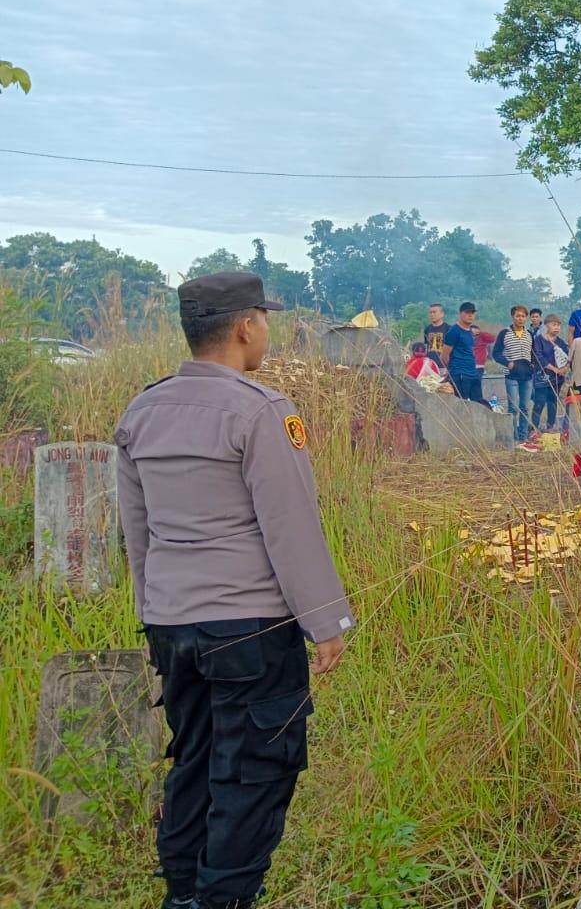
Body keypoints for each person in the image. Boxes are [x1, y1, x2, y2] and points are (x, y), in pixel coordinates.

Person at [114, 272, 353, 909]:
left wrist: (153, 612)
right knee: (253, 775)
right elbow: (291, 524)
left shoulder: (142, 411)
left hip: (172, 624)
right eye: (265, 320)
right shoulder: (262, 410)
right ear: (246, 326)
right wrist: (326, 620)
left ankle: (182, 895)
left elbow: (138, 529)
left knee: (193, 761)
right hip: (250, 630)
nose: (266, 331)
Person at [491, 306, 537, 445]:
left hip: (527, 376)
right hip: (511, 376)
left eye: (523, 316)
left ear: (526, 318)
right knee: (513, 407)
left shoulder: (529, 334)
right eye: (518, 316)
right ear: (513, 317)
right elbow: (496, 353)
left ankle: (523, 437)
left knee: (525, 407)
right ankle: (513, 437)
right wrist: (507, 363)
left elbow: (534, 353)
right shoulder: (505, 333)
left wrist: (533, 364)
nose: (520, 319)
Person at [441, 302, 486, 404]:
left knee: (478, 403)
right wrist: (452, 370)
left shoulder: (469, 331)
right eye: (467, 312)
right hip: (460, 375)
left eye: (472, 313)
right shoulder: (454, 331)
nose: (470, 315)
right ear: (460, 314)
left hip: (473, 373)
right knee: (462, 405)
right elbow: (444, 355)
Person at [532, 315, 566, 437]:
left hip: (557, 378)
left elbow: (567, 357)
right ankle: (534, 428)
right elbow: (539, 357)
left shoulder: (561, 342)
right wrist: (554, 369)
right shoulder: (538, 340)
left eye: (558, 325)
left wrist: (564, 369)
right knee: (539, 402)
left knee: (553, 402)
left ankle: (550, 427)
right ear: (546, 326)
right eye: (554, 325)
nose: (557, 327)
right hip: (542, 376)